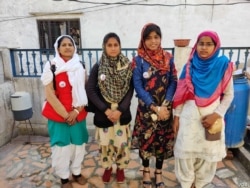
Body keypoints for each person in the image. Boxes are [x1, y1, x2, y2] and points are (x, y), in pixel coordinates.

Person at [173, 30, 234, 188]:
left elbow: (229, 95)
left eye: (209, 44)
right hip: (189, 121)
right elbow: (180, 94)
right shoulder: (189, 66)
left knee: (207, 159)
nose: (204, 48)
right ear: (196, 46)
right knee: (185, 157)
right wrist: (177, 117)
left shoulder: (222, 66)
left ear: (216, 46)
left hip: (211, 120)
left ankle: (199, 184)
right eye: (201, 44)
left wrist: (217, 115)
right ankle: (187, 184)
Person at [131, 23, 177, 188]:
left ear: (160, 38)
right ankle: (146, 171)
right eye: (149, 38)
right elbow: (138, 86)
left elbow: (173, 81)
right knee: (146, 142)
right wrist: (154, 107)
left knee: (161, 142)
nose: (153, 41)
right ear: (143, 40)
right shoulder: (138, 60)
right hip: (146, 111)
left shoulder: (168, 58)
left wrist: (165, 104)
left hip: (164, 110)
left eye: (156, 37)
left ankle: (158, 173)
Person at [41, 35, 88, 188]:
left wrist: (75, 111)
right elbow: (50, 94)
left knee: (78, 145)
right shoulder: (51, 66)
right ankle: (64, 177)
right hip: (58, 116)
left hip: (78, 115)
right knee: (61, 148)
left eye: (70, 44)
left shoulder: (80, 65)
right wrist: (66, 115)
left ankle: (76, 172)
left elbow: (84, 91)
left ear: (74, 47)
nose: (67, 47)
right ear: (58, 48)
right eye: (64, 45)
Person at [86, 32, 134, 184]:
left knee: (122, 145)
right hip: (104, 114)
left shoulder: (127, 66)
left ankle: (120, 169)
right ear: (104, 47)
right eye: (109, 45)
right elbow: (90, 90)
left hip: (122, 113)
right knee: (106, 145)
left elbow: (130, 89)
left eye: (116, 45)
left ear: (120, 47)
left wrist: (120, 110)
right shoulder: (98, 66)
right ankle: (108, 168)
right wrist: (106, 110)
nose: (113, 48)